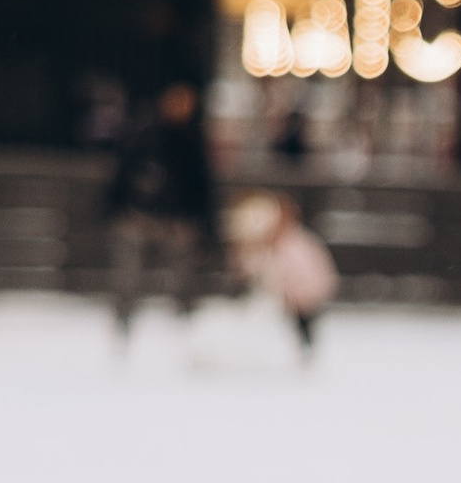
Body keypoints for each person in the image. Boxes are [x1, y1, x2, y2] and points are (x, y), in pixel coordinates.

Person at [103, 82, 221, 334]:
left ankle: (184, 321)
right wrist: (114, 206)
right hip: (142, 215)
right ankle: (124, 320)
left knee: (184, 267)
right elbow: (124, 174)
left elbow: (203, 188)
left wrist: (208, 228)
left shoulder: (192, 141)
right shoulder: (145, 135)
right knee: (128, 268)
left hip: (176, 220)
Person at [230, 187, 339, 355]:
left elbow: (310, 274)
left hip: (301, 297)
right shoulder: (279, 245)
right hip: (289, 298)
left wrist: (300, 295)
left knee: (301, 328)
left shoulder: (295, 245)